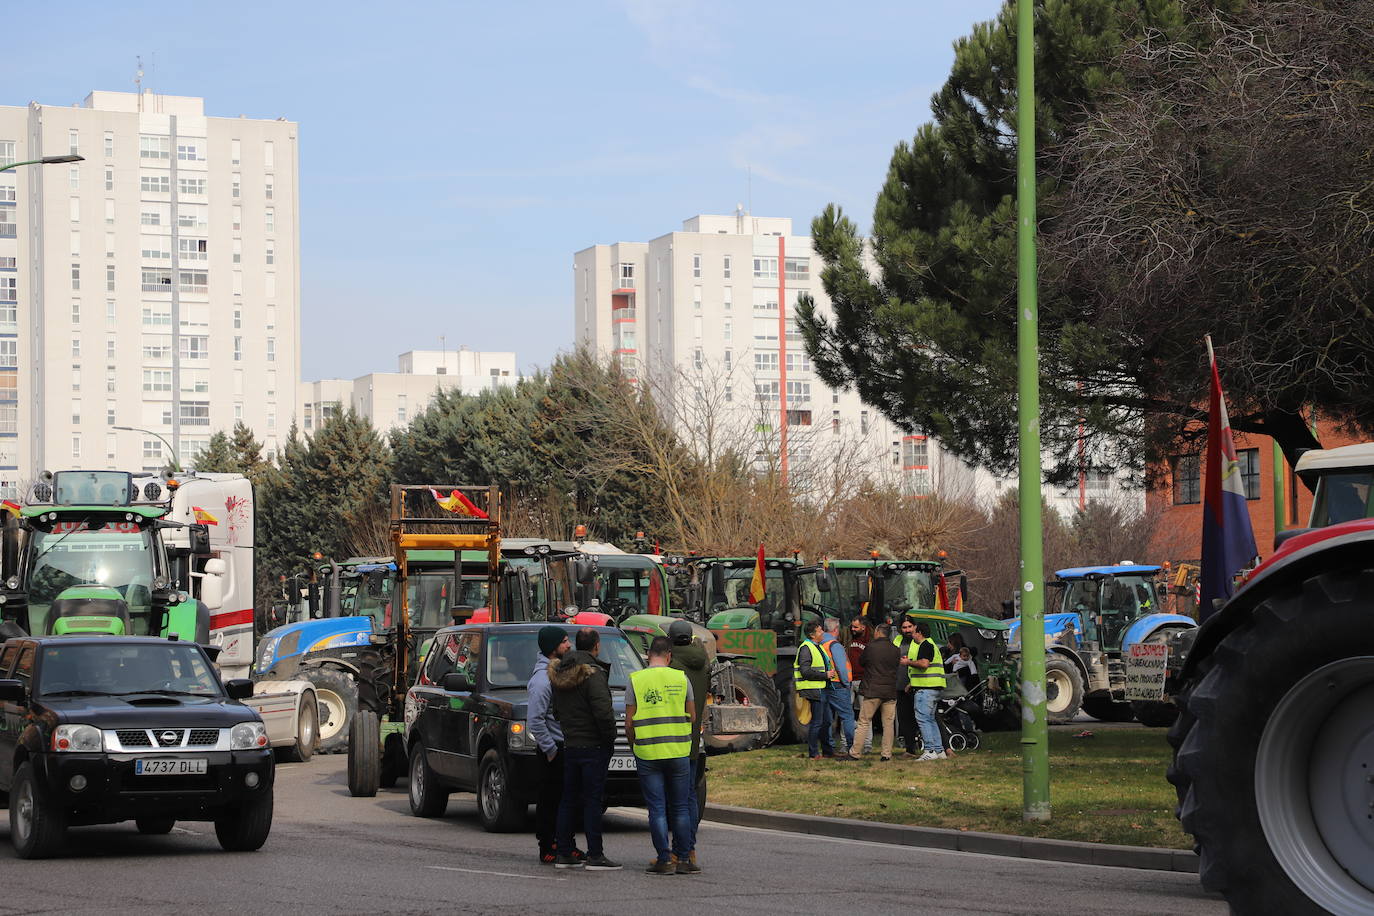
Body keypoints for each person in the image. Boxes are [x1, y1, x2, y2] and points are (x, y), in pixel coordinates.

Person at [548, 628, 622, 870]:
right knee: (592, 800)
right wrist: (609, 739)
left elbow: (556, 711)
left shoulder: (560, 672)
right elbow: (603, 712)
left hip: (571, 744)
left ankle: (565, 851)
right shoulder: (593, 674)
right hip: (593, 745)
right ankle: (595, 854)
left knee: (567, 800)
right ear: (596, 646)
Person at [627, 636, 699, 876]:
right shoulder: (681, 678)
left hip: (648, 752)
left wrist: (633, 744)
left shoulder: (636, 680)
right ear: (669, 655)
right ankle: (685, 859)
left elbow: (629, 723)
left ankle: (664, 859)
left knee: (656, 808)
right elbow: (693, 716)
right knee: (680, 807)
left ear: (649, 655)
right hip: (678, 751)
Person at [528, 626, 580, 865]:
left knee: (565, 799)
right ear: (552, 648)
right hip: (554, 750)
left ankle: (565, 844)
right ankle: (547, 846)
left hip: (564, 746)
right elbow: (535, 721)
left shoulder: (557, 672)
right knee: (550, 800)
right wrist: (551, 750)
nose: (568, 645)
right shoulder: (541, 680)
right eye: (564, 641)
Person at [667, 619, 709, 840]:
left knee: (674, 798)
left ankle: (679, 846)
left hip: (670, 738)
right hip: (692, 737)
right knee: (690, 793)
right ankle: (689, 842)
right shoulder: (703, 662)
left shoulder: (670, 663)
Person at [851, 621, 900, 760]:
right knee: (888, 724)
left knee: (864, 722)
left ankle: (855, 753)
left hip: (872, 690)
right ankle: (886, 754)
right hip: (889, 691)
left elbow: (862, 662)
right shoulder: (895, 649)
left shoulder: (871, 647)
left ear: (878, 632)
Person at [902, 620, 947, 761]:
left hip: (926, 689)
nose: (912, 634)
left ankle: (930, 750)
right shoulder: (931, 644)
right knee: (930, 719)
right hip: (933, 688)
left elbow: (924, 664)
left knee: (923, 719)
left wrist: (907, 662)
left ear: (919, 633)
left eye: (914, 631)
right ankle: (939, 751)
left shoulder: (925, 645)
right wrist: (911, 683)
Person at [794, 620, 833, 759]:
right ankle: (814, 752)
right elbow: (805, 671)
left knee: (827, 721)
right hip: (813, 689)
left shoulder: (818, 646)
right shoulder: (806, 648)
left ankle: (828, 751)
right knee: (817, 722)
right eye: (819, 630)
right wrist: (825, 675)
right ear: (812, 634)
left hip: (821, 688)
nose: (822, 632)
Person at [821, 617, 856, 758]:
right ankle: (851, 748)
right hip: (838, 685)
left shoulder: (818, 644)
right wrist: (846, 683)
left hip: (824, 684)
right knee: (847, 716)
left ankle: (828, 749)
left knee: (827, 718)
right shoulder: (834, 645)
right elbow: (841, 668)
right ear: (836, 629)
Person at [891, 617, 922, 757]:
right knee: (904, 719)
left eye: (910, 626)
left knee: (922, 718)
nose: (907, 630)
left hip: (917, 685)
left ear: (915, 627)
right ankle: (910, 749)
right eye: (904, 627)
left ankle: (931, 747)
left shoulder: (920, 641)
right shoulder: (897, 640)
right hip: (900, 686)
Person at [848, 617, 874, 753]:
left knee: (866, 714)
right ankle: (849, 741)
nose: (853, 629)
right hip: (849, 680)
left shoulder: (870, 640)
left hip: (864, 681)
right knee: (847, 713)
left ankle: (868, 744)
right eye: (852, 626)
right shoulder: (848, 637)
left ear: (863, 627)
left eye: (856, 627)